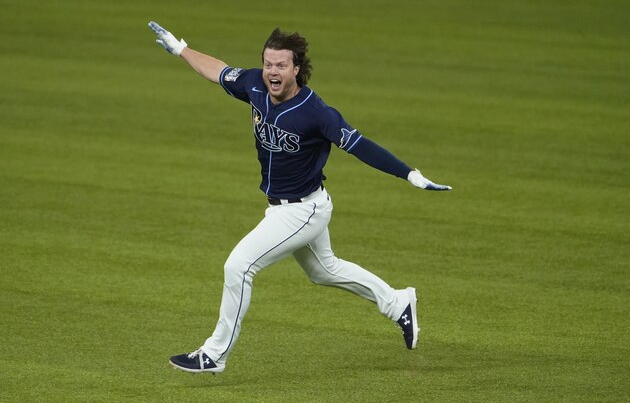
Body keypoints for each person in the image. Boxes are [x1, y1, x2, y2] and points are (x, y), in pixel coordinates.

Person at [148, 21, 452, 374]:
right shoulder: (254, 85)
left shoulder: (317, 113)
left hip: (302, 211)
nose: (272, 72)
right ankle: (398, 301)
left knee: (239, 266)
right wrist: (182, 49)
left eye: (280, 66)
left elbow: (361, 146)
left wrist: (410, 174)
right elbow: (219, 71)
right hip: (288, 207)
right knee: (325, 271)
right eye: (268, 64)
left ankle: (214, 354)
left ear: (296, 69)